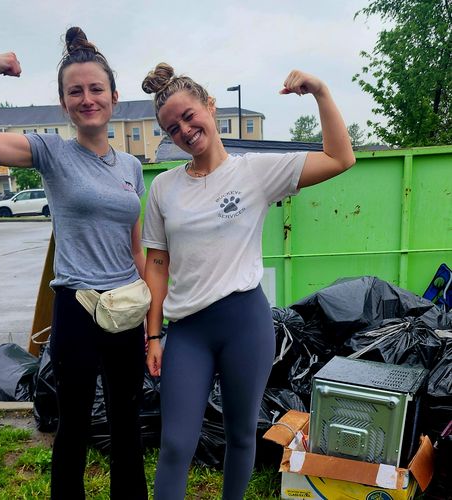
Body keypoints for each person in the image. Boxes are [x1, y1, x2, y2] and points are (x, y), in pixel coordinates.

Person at [140, 63, 355, 499]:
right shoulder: (164, 188)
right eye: (171, 128)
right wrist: (154, 333)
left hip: (244, 323)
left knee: (241, 435)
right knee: (176, 443)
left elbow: (340, 158)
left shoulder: (254, 172)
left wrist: (320, 92)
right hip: (188, 332)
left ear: (209, 106)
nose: (183, 130)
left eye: (188, 116)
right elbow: (158, 262)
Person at [0, 27, 148, 500]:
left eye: (96, 88)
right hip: (76, 308)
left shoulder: (131, 167)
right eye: (75, 91)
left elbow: (137, 246)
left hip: (125, 308)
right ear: (64, 103)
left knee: (127, 426)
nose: (87, 98)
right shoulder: (51, 152)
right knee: (74, 426)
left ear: (114, 97)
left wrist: (154, 317)